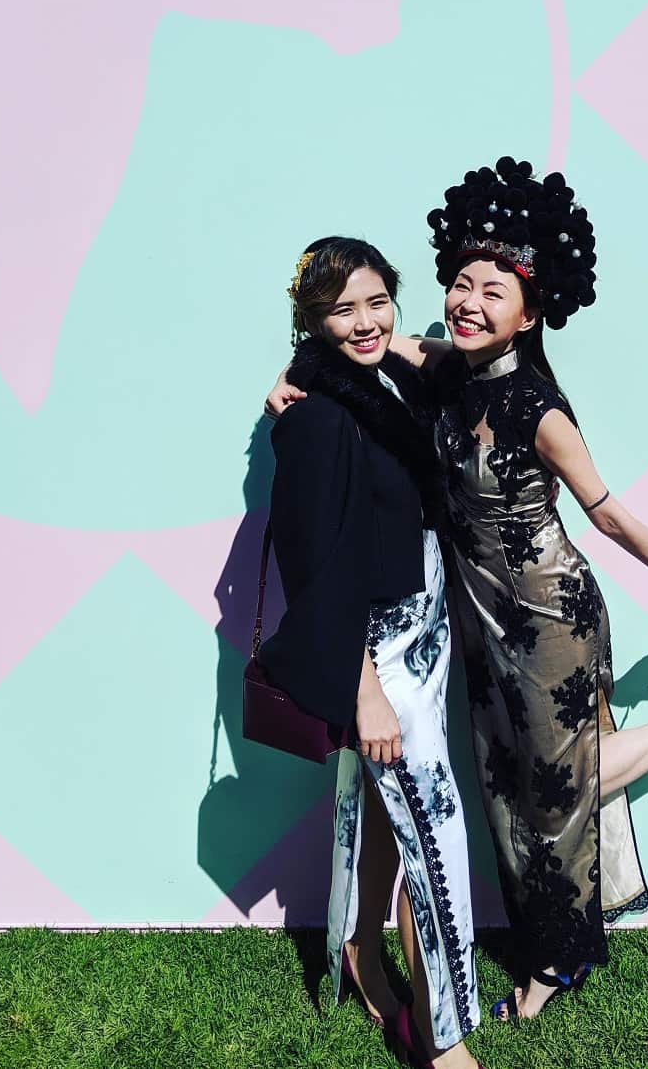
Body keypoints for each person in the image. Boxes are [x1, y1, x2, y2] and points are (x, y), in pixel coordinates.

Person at [266, 159, 648, 1028]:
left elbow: (611, 517)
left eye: (493, 291)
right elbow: (351, 342)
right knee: (508, 784)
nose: (470, 302)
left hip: (551, 612)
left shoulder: (538, 407)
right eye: (461, 284)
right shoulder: (444, 366)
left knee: (554, 791)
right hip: (478, 611)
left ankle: (561, 952)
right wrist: (289, 383)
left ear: (532, 308)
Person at [258, 237, 485, 1069]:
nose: (364, 321)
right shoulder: (317, 414)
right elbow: (317, 566)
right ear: (310, 322)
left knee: (380, 818)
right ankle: (446, 1037)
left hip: (424, 628)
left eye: (376, 300)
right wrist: (364, 694)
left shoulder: (391, 377)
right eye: (340, 309)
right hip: (379, 650)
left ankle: (355, 949)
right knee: (436, 831)